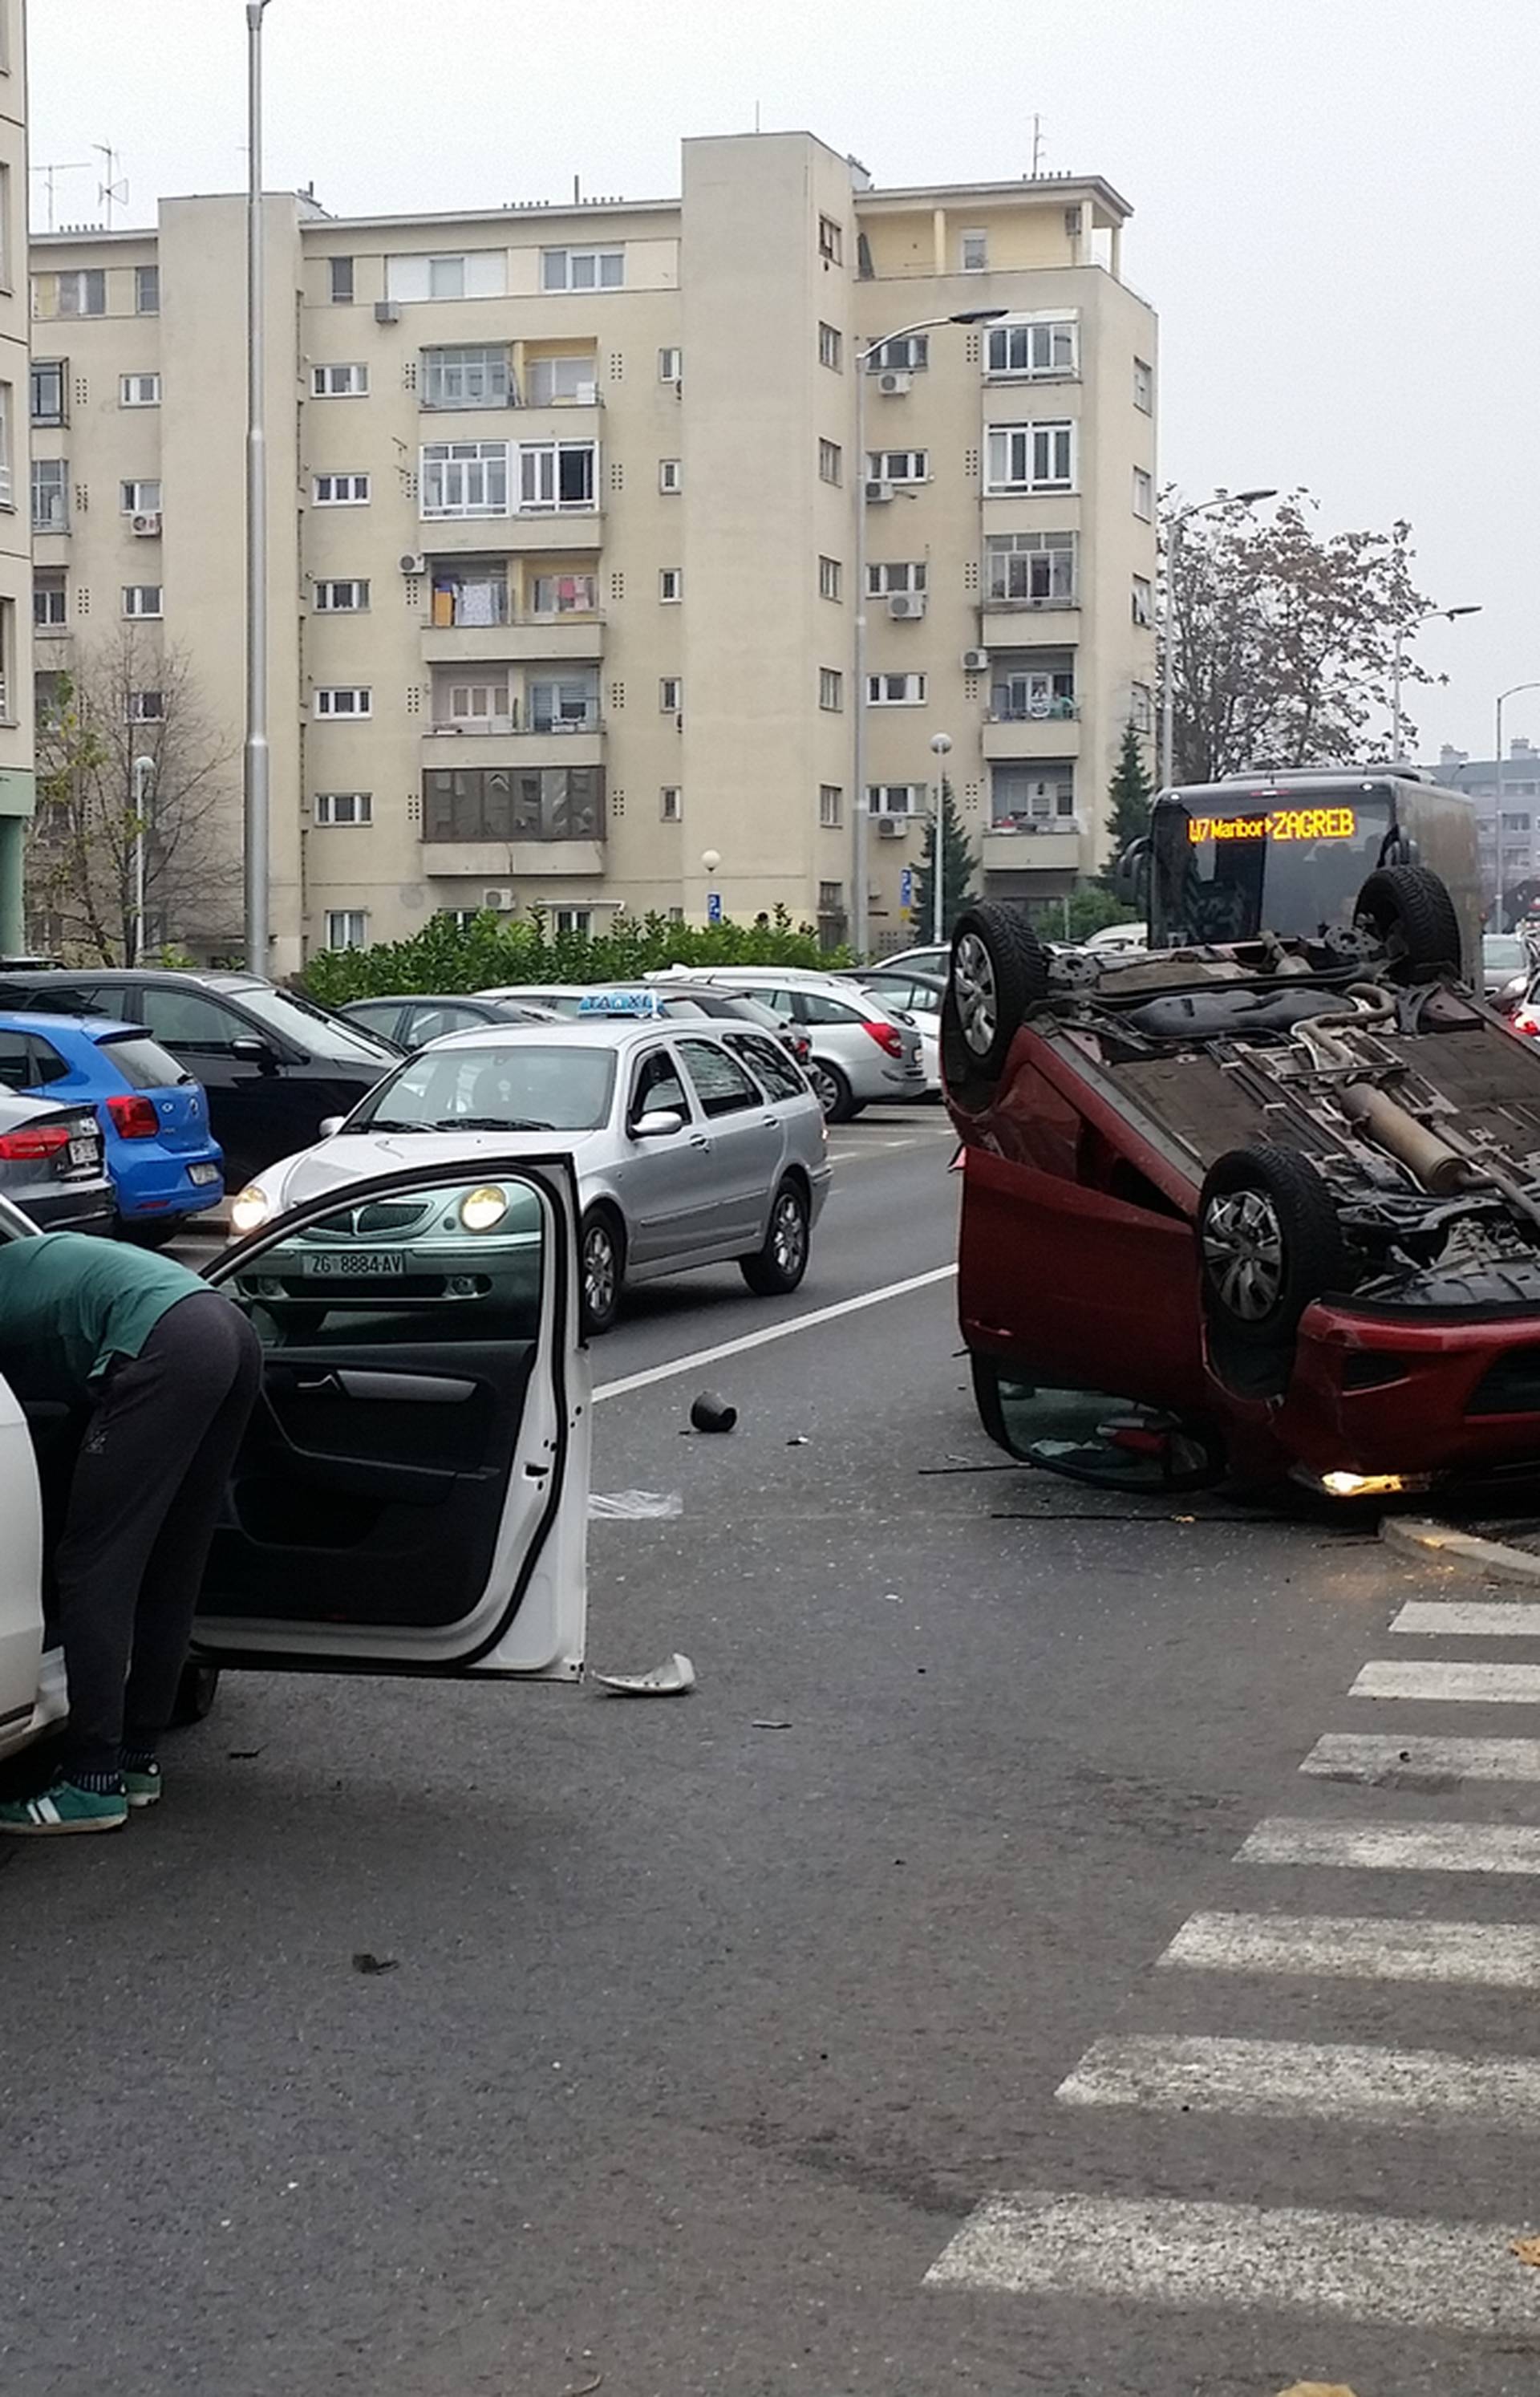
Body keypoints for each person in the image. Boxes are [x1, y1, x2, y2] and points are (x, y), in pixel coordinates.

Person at [0, 1232, 262, 1835]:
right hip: (225, 1326)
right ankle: (135, 1759)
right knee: (172, 1560)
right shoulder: (29, 1259)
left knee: (95, 1563)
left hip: (165, 1341)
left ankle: (90, 1780)